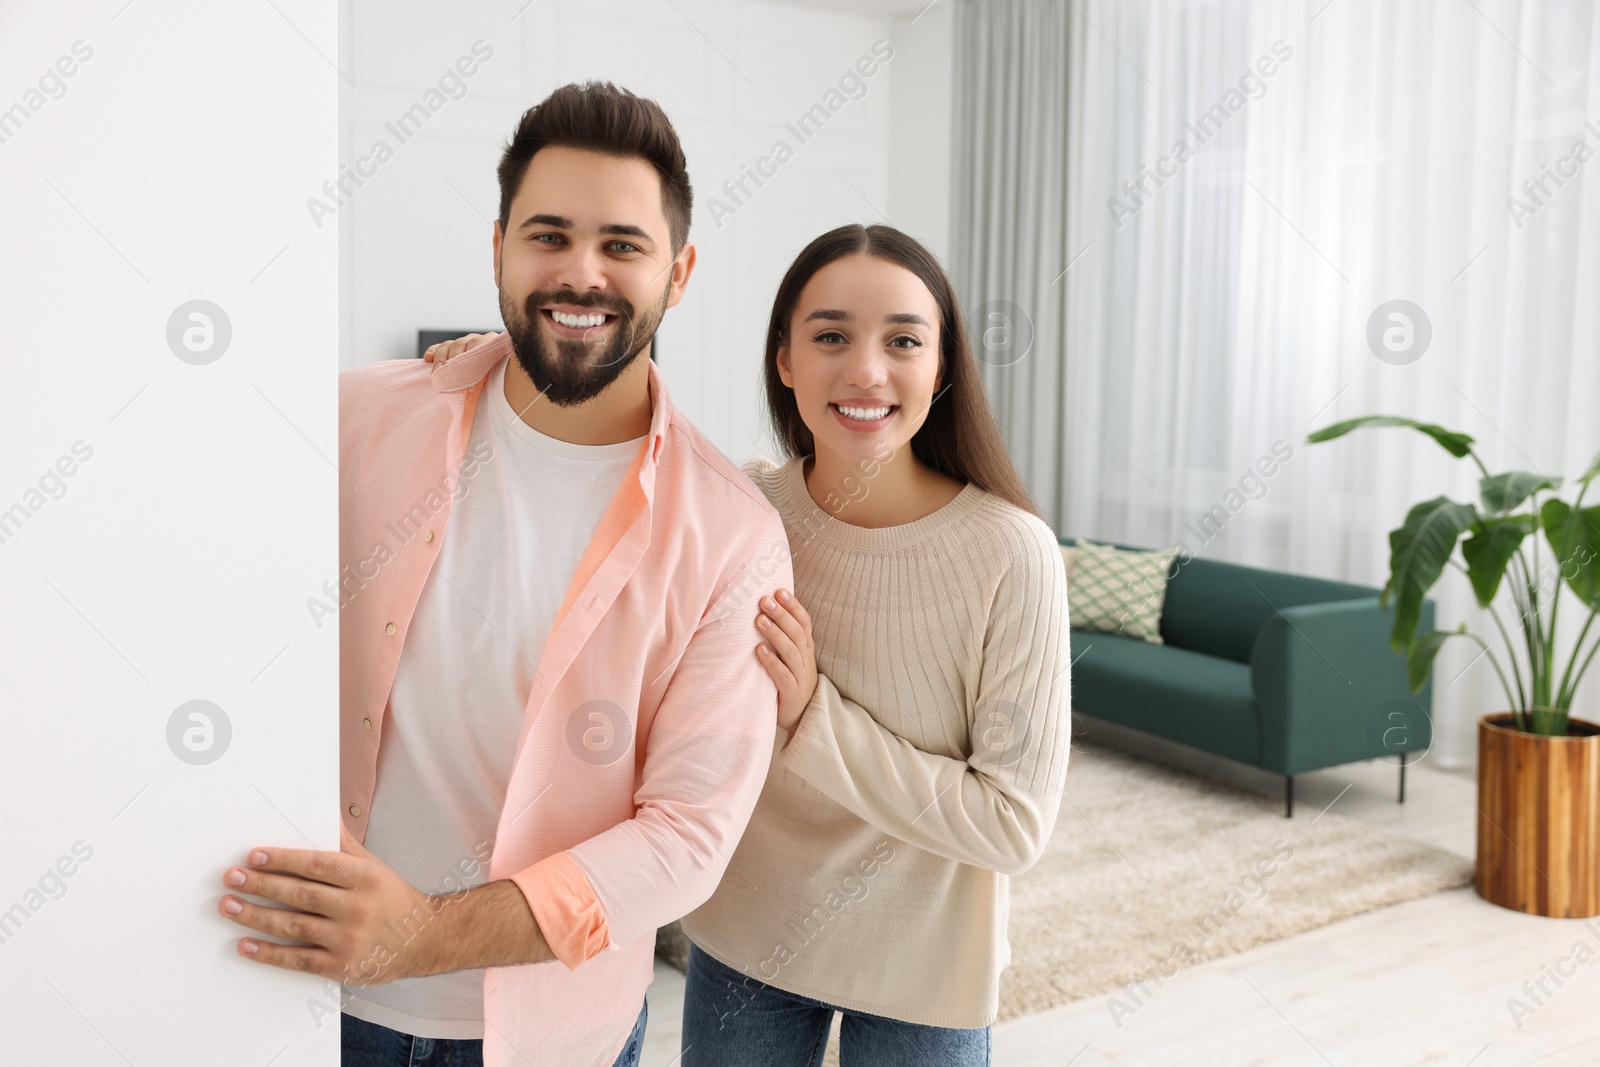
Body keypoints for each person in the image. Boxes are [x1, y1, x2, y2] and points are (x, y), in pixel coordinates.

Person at [214, 82, 791, 1067]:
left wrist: (422, 934)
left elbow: (687, 836)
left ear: (678, 271)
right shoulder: (352, 420)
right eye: (548, 234)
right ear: (497, 247)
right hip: (274, 984)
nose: (581, 272)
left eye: (621, 244)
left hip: (541, 1031)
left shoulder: (733, 536)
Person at [430, 222, 1072, 1066]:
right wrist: (499, 367)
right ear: (784, 360)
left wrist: (814, 716)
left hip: (925, 969)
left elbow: (1012, 824)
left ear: (944, 366)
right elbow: (611, 454)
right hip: (746, 942)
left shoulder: (1010, 551)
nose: (866, 371)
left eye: (904, 340)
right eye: (831, 336)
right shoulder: (744, 510)